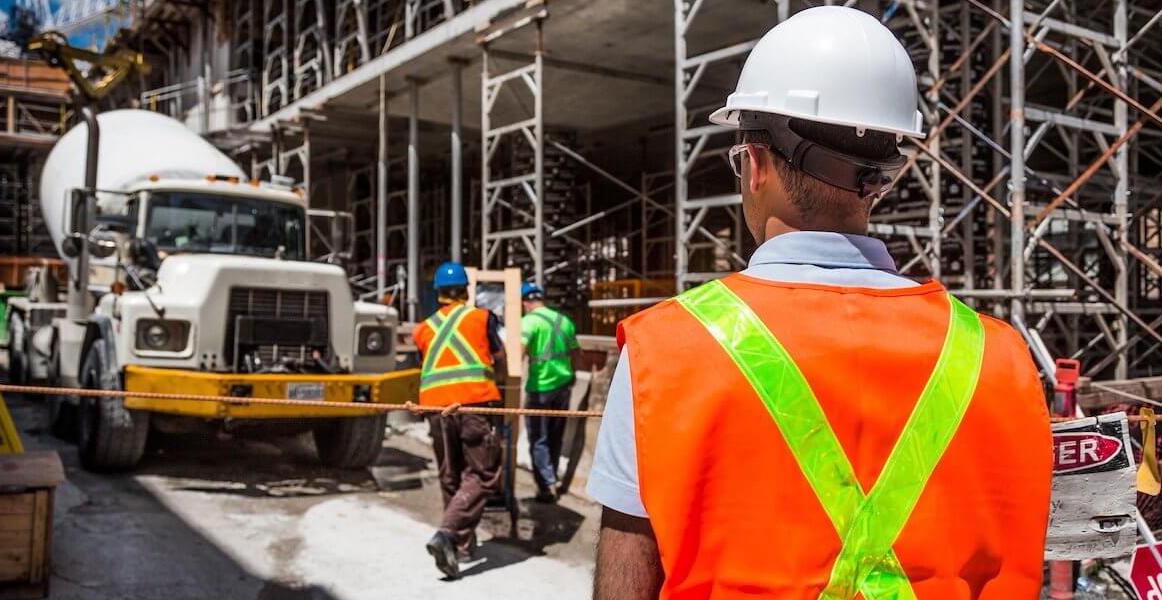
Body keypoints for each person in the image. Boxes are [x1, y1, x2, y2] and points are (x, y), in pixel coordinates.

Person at [588, 7, 1052, 599]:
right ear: (882, 177)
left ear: (754, 165)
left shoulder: (665, 352)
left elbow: (627, 578)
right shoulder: (1000, 356)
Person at [413, 261, 507, 580]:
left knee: (450, 474)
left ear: (438, 293)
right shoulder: (482, 318)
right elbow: (500, 356)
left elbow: (425, 366)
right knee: (484, 474)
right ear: (467, 291)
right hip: (473, 403)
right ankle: (448, 534)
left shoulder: (423, 329)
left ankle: (461, 546)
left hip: (436, 409)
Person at [519, 282, 580, 502]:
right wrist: (571, 374)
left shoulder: (528, 322)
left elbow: (519, 352)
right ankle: (552, 476)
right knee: (555, 435)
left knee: (538, 438)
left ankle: (546, 486)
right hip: (563, 387)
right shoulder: (564, 321)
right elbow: (576, 352)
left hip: (540, 388)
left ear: (525, 303)